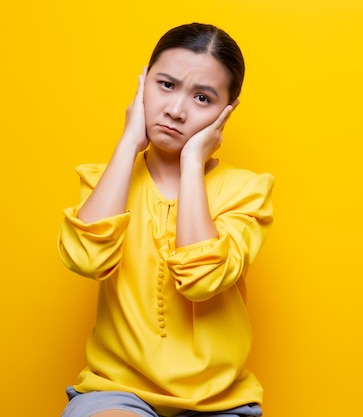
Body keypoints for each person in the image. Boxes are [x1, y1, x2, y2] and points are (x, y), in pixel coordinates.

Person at [57, 23, 274, 417]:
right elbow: (86, 259)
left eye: (203, 97)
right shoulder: (104, 180)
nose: (176, 109)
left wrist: (192, 162)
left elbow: (202, 282)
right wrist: (128, 142)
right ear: (143, 83)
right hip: (117, 391)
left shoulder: (248, 192)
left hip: (219, 401)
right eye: (166, 85)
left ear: (228, 111)